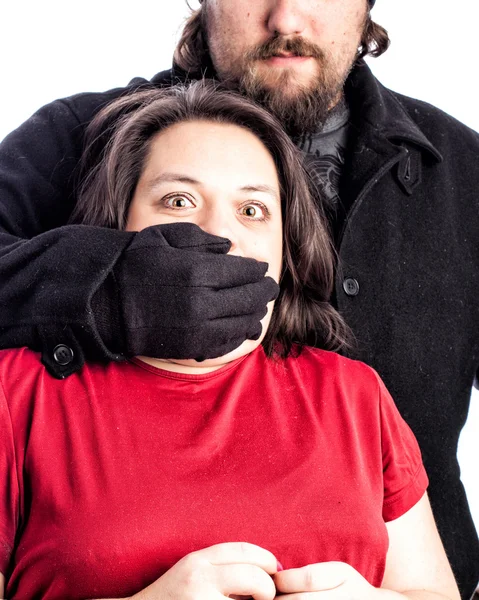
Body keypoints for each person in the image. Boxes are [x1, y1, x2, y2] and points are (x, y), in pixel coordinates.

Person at [0, 0, 478, 597]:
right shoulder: (76, 138)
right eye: (177, 199)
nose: (287, 19)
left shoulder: (466, 175)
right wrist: (111, 284)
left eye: (253, 208)